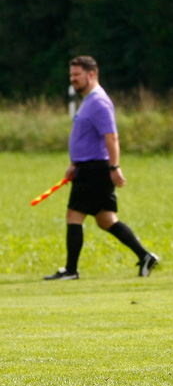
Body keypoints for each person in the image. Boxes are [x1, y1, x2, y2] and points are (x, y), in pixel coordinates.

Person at [44, 56, 160, 281]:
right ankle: (145, 256)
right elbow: (86, 138)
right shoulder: (88, 100)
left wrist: (114, 167)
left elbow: (112, 137)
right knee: (106, 219)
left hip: (95, 169)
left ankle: (70, 270)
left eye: (77, 75)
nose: (73, 79)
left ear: (92, 74)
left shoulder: (99, 102)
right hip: (87, 166)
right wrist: (74, 164)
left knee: (74, 216)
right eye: (71, 75)